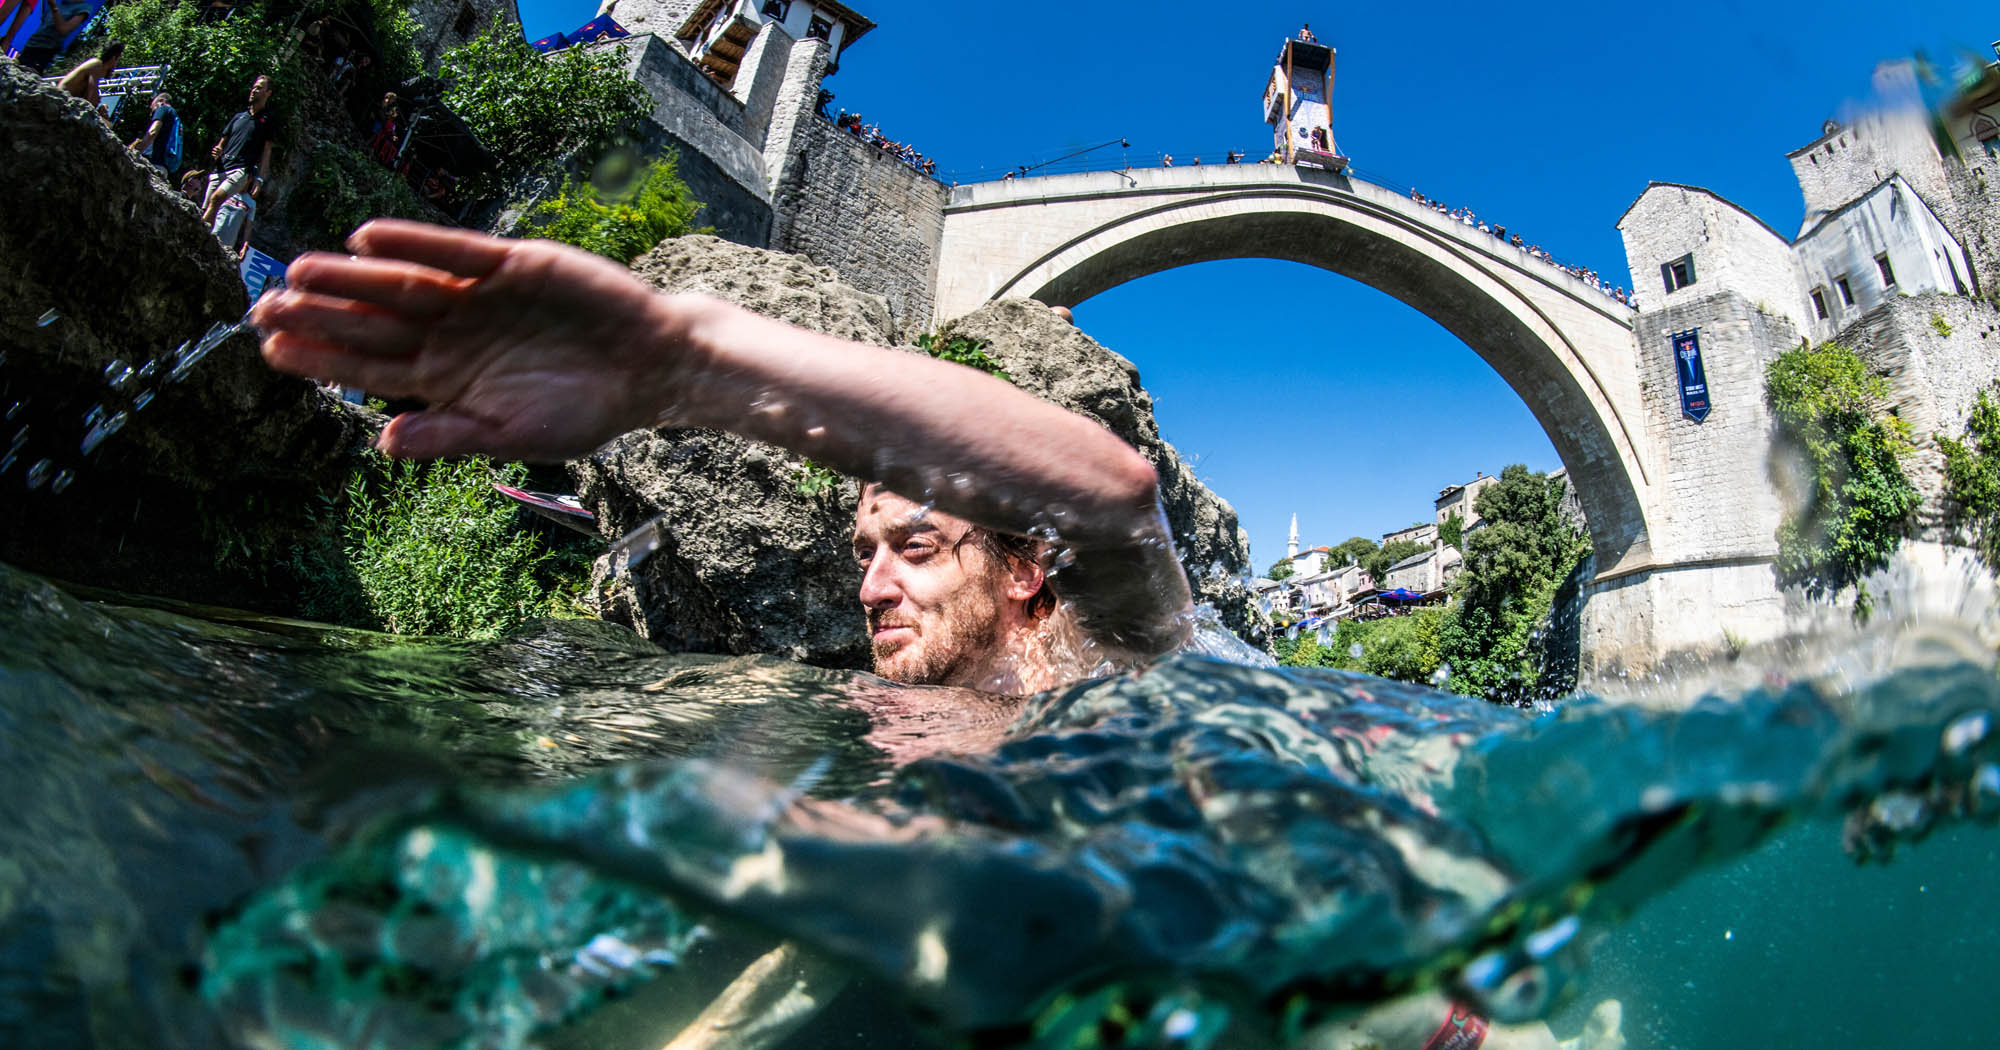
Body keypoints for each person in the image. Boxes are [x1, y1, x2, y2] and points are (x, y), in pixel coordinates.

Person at [248, 219, 1196, 698]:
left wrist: (688, 368)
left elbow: (1112, 498)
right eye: (866, 551)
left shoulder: (1105, 682)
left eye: (914, 547)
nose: (869, 588)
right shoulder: (883, 708)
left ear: (1027, 570)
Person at [200, 75, 274, 227]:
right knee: (208, 207)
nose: (254, 91)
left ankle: (194, 234)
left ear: (268, 93)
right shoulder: (238, 117)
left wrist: (259, 180)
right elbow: (222, 142)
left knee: (216, 199)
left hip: (241, 170)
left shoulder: (268, 120)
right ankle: (204, 239)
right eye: (254, 87)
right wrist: (218, 149)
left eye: (259, 88)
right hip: (222, 166)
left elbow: (267, 152)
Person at [12, 0, 91, 73]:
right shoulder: (59, 3)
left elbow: (64, 30)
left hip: (47, 49)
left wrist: (54, 8)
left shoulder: (83, 8)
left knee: (29, 73)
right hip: (32, 44)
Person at [55, 37, 120, 110]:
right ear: (114, 58)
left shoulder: (98, 69)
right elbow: (92, 97)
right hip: (60, 101)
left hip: (67, 103)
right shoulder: (96, 64)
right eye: (118, 60)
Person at [128, 90, 179, 173]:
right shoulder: (175, 117)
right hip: (163, 167)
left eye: (152, 107)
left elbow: (153, 132)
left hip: (152, 163)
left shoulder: (163, 108)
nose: (151, 112)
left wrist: (137, 151)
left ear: (161, 101)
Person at [211, 179, 257, 258]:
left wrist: (245, 247)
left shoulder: (251, 203)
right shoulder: (227, 191)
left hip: (228, 242)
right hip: (213, 233)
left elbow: (248, 227)